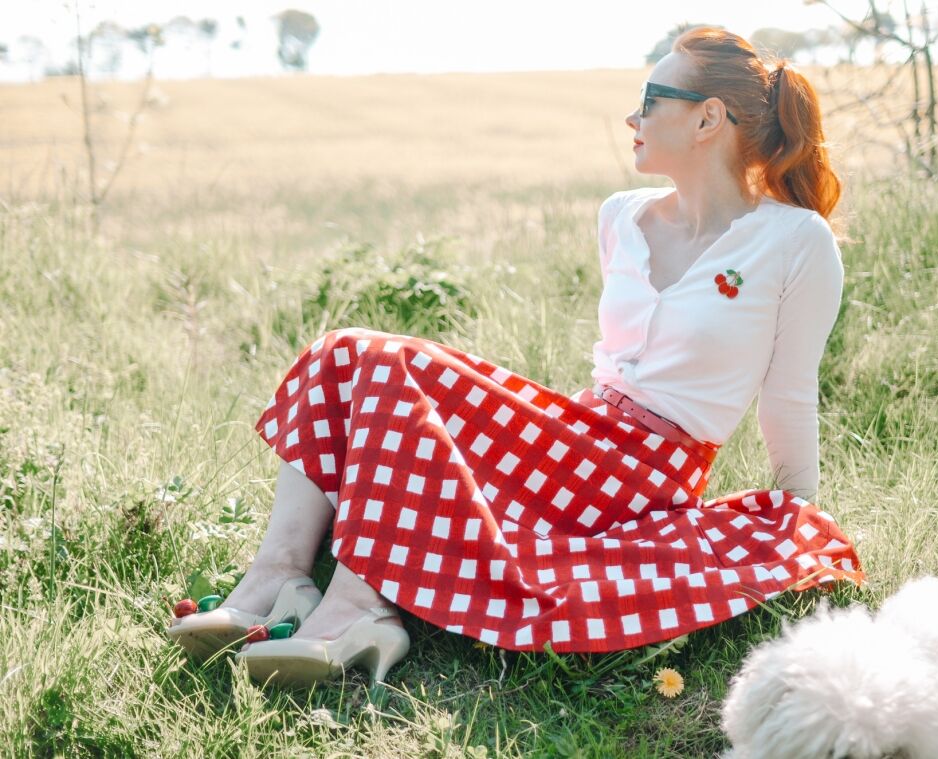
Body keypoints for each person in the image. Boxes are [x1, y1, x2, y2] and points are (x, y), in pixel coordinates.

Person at [166, 27, 864, 689]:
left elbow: (790, 393)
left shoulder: (795, 240)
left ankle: (358, 606)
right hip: (577, 437)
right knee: (344, 352)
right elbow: (619, 366)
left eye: (651, 101)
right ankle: (279, 575)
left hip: (643, 476)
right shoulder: (622, 215)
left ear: (708, 119)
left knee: (383, 362)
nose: (632, 117)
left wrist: (791, 515)